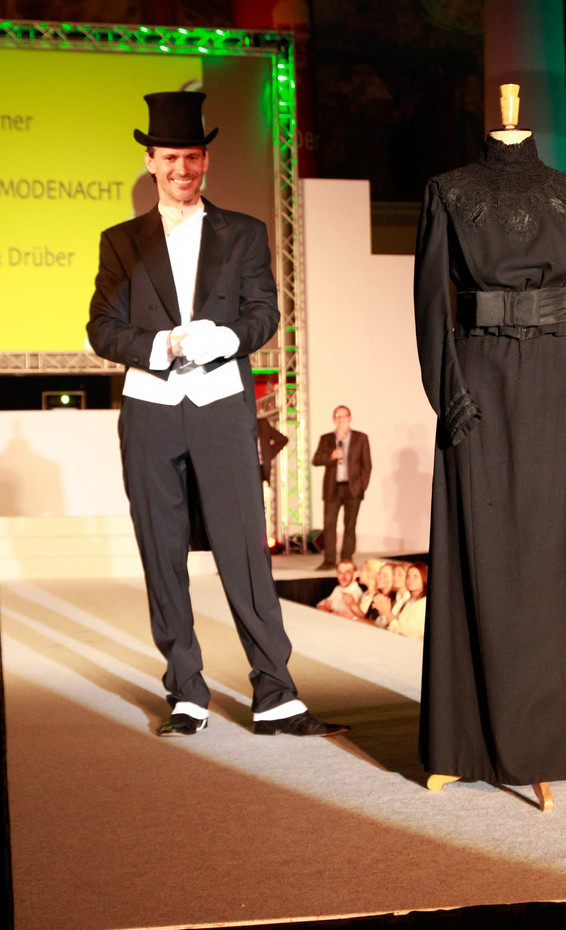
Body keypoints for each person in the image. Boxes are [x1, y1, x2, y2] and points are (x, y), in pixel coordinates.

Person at [87, 91, 348, 739]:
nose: (182, 168)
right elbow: (101, 328)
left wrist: (224, 339)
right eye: (170, 157)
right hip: (150, 409)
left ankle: (275, 693)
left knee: (244, 548)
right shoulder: (121, 241)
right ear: (150, 162)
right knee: (162, 551)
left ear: (205, 161)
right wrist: (160, 347)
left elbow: (265, 312)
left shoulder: (245, 233)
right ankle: (186, 692)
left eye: (192, 156)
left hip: (220, 404)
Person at [414, 126, 566, 785]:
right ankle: (467, 747)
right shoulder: (449, 192)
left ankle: (562, 741)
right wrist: (447, 393)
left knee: (556, 561)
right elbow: (431, 303)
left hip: (558, 388)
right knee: (483, 551)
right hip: (479, 385)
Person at [312, 406, 372, 570]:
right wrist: (331, 456)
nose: (341, 419)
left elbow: (367, 465)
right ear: (333, 419)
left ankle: (346, 559)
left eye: (344, 416)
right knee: (329, 525)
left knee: (350, 525)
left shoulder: (360, 438)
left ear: (350, 418)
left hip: (353, 488)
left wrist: (361, 486)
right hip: (333, 487)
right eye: (337, 416)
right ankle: (329, 560)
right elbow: (316, 459)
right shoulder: (326, 438)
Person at [374, 562, 428, 639]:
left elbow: (405, 635)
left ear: (424, 578)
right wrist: (384, 613)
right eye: (408, 576)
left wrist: (387, 613)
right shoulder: (409, 602)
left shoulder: (423, 604)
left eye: (415, 576)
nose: (410, 580)